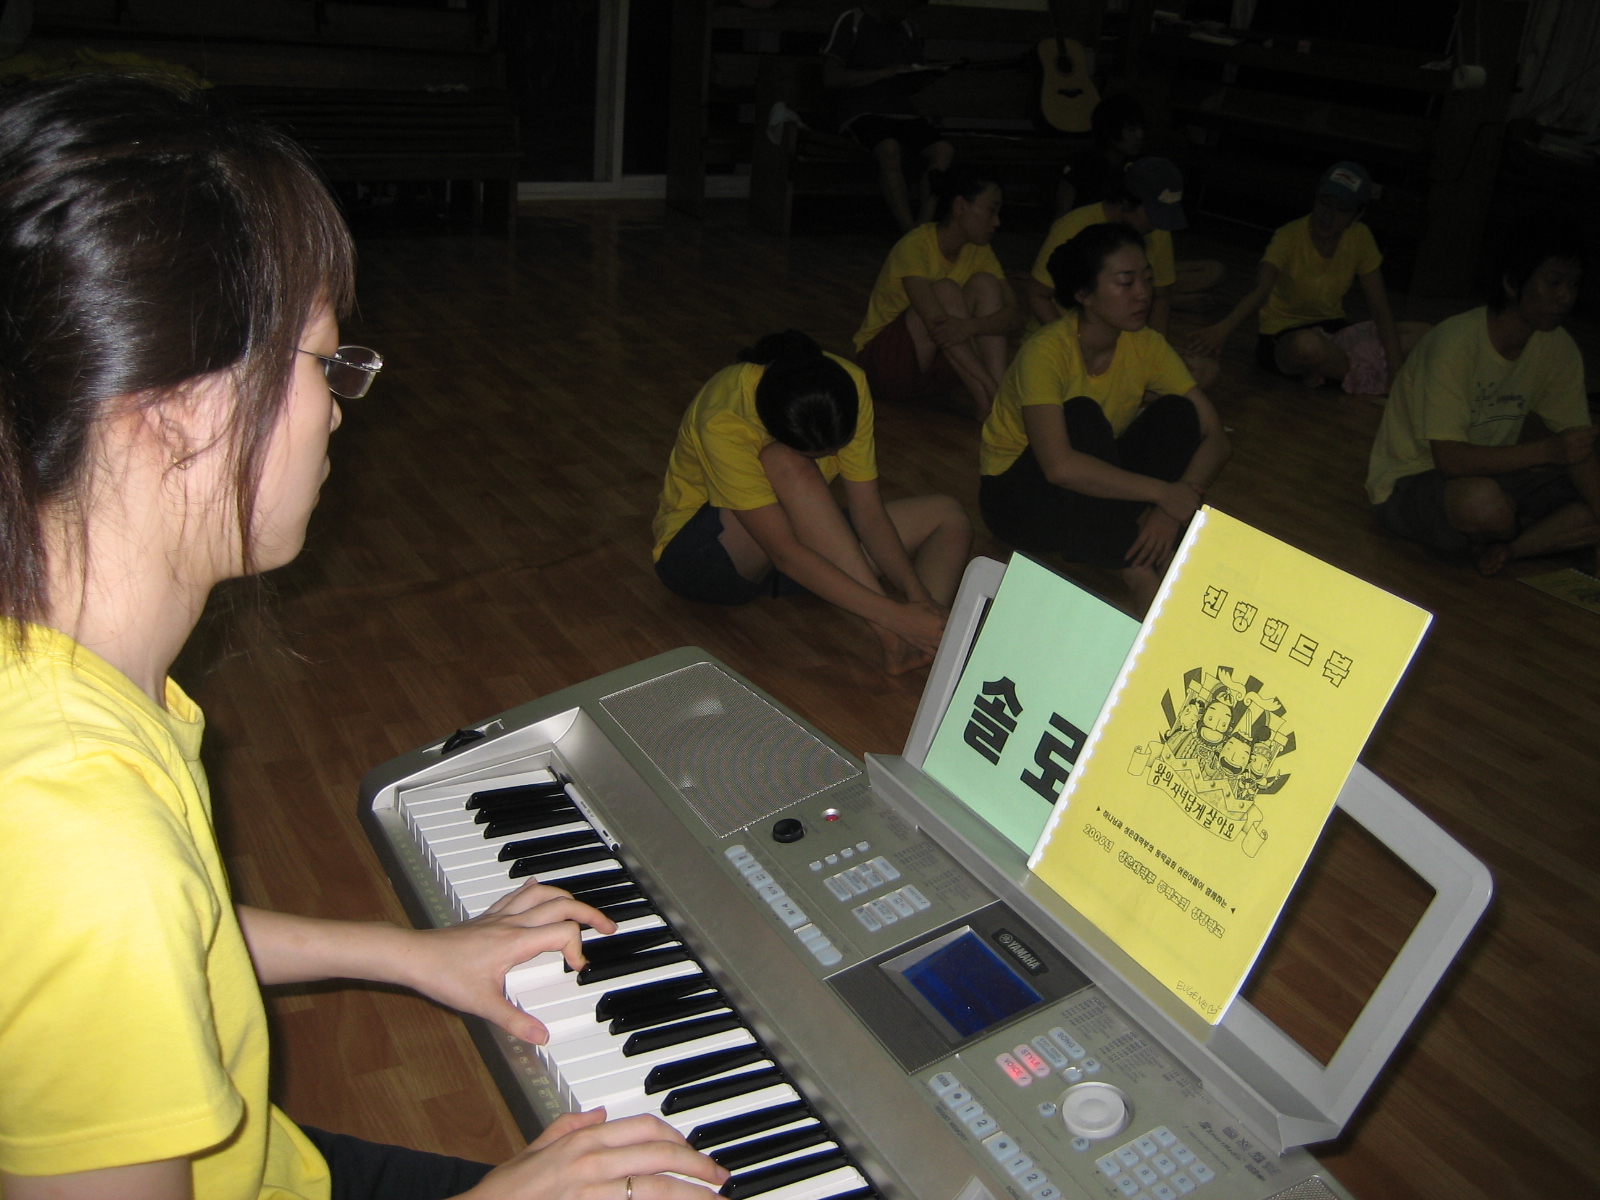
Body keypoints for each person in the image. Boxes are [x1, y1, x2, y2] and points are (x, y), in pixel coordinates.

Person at [0, 76, 731, 1200]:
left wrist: (409, 955)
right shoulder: (81, 831)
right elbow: (112, 903)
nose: (340, 408)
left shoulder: (62, 686)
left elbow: (155, 942)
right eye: (326, 363)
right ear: (179, 410)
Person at [653, 331, 972, 674]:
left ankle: (924, 635)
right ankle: (894, 636)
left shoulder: (847, 384)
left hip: (788, 555)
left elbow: (868, 512)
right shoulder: (724, 419)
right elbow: (784, 553)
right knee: (783, 461)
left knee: (948, 516)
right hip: (705, 561)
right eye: (817, 454)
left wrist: (917, 596)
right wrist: (894, 617)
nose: (831, 457)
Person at [981, 223, 1230, 612]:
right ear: (1085, 295)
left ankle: (1132, 538)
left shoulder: (1145, 344)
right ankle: (1137, 569)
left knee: (1179, 412)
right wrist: (1162, 493)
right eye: (1126, 282)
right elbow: (1059, 467)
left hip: (1086, 494)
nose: (1143, 293)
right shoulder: (1045, 352)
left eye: (1146, 279)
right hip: (1019, 504)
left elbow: (1216, 435)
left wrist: (1171, 506)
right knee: (1081, 416)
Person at [1366, 231, 1598, 576]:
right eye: (1553, 282)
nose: (1565, 296)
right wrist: (1548, 451)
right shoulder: (1455, 343)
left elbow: (1578, 452)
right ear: (1511, 283)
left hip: (1494, 473)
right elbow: (1450, 461)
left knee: (1590, 499)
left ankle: (1508, 548)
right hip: (1411, 481)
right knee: (1482, 503)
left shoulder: (1558, 348)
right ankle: (1518, 530)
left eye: (1573, 285)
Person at [1188, 161, 1430, 393]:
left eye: (1341, 210)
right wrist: (1223, 329)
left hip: (1335, 333)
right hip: (1284, 337)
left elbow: (1380, 308)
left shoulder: (1361, 237)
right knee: (1307, 346)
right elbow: (1260, 289)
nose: (1328, 215)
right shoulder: (1288, 236)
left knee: (1424, 334)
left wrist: (1396, 369)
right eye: (1324, 203)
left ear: (1357, 215)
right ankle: (1363, 374)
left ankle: (1339, 371)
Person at [1027, 157, 1223, 388]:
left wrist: (1157, 352)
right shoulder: (1074, 226)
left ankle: (1129, 396)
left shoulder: (1157, 231)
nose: (1157, 224)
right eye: (1153, 214)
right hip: (1071, 343)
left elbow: (1161, 296)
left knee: (1205, 369)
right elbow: (1037, 294)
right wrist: (1075, 348)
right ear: (1126, 202)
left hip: (1124, 343)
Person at [853, 165, 1020, 421]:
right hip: (884, 368)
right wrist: (992, 385)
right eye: (991, 210)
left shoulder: (979, 251)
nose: (997, 222)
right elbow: (936, 324)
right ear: (961, 206)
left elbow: (1013, 316)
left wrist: (971, 326)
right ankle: (990, 398)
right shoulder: (915, 245)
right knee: (946, 291)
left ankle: (994, 402)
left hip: (933, 372)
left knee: (986, 284)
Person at [823, 0, 953, 232]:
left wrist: (925, 77)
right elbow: (831, 77)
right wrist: (884, 73)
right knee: (889, 147)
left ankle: (924, 226)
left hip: (903, 113)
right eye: (905, 6)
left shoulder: (908, 28)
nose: (906, 12)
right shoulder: (852, 21)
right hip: (861, 111)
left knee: (943, 150)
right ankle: (908, 228)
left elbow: (912, 81)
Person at [1055, 92, 1145, 217]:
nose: (1139, 135)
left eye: (1141, 128)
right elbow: (1062, 216)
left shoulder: (1142, 165)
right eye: (1131, 129)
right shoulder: (1081, 165)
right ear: (1110, 130)